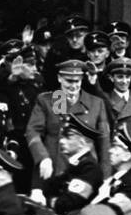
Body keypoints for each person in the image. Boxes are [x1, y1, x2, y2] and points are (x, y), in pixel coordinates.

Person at [27, 58, 111, 196]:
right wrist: (43, 157)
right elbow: (32, 132)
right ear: (59, 78)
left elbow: (104, 144)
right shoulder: (47, 100)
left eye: (77, 81)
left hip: (86, 176)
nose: (73, 86)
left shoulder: (96, 103)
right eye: (69, 81)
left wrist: (106, 179)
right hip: (54, 172)